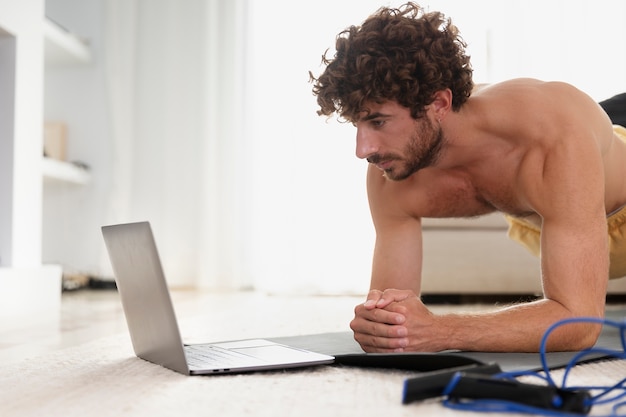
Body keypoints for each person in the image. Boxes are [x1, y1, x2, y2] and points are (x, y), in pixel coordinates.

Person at [310, 2, 626, 353]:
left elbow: (579, 325)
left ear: (440, 104)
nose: (363, 149)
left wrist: (440, 330)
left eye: (379, 122)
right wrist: (383, 327)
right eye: (358, 124)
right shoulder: (392, 172)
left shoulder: (552, 138)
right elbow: (393, 322)